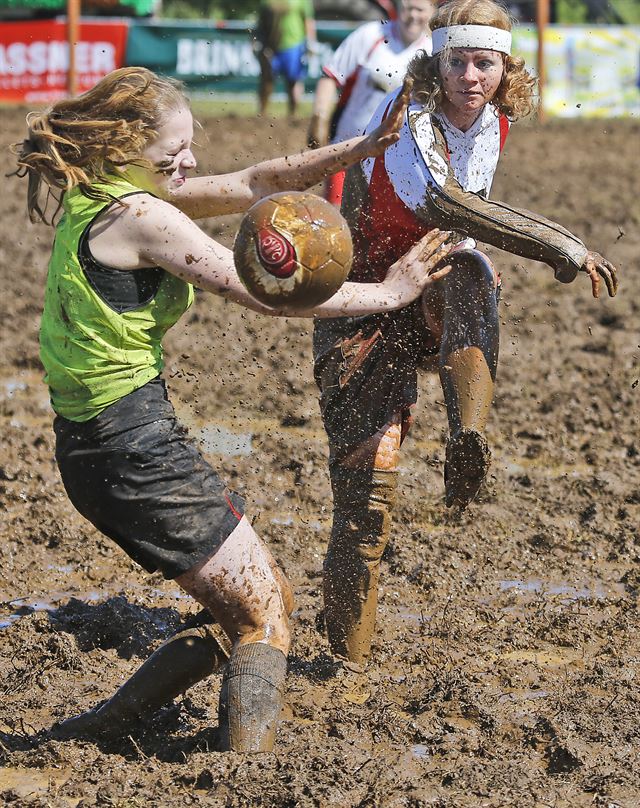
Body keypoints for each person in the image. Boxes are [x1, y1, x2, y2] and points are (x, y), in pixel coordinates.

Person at [12, 66, 454, 753]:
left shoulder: (110, 189)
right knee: (266, 616)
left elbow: (256, 182)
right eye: (174, 153)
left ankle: (104, 729)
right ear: (127, 146)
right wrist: (390, 293)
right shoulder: (143, 216)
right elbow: (266, 291)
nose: (188, 163)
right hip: (129, 449)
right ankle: (246, 775)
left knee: (254, 601)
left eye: (190, 147)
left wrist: (360, 148)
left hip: (108, 446)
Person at [312, 0, 619, 666]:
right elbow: (450, 204)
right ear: (437, 61)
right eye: (457, 60)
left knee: (473, 272)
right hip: (360, 300)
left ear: (506, 69)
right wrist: (562, 245)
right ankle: (345, 660)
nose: (469, 77)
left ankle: (467, 440)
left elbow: (460, 230)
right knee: (370, 485)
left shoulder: (494, 124)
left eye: (484, 63)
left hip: (426, 286)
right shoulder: (413, 117)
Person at [307, 0, 435, 204]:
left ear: (431, 14)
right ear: (399, 9)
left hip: (395, 161)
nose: (413, 16)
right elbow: (331, 76)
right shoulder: (371, 34)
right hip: (348, 149)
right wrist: (319, 118)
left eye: (420, 10)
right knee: (337, 217)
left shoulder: (431, 52)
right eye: (407, 8)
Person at [254, 0, 316, 116]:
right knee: (267, 80)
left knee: (293, 81)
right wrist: (257, 40)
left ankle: (293, 115)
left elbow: (308, 21)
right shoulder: (266, 2)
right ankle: (261, 114)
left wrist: (311, 42)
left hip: (294, 45)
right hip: (270, 46)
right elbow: (260, 22)